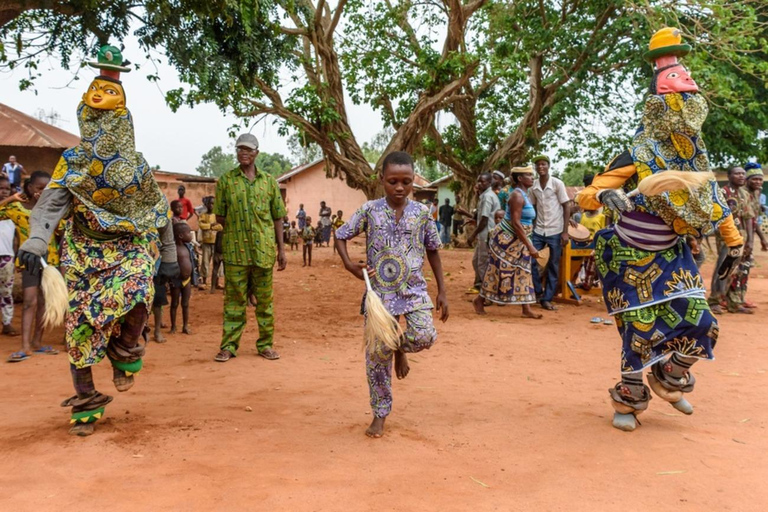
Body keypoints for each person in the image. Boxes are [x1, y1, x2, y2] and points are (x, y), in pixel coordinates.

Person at [576, 28, 743, 432]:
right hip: (629, 253)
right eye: (676, 98)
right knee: (638, 330)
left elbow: (711, 201)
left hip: (672, 253)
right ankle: (630, 401)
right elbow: (589, 193)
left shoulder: (696, 155)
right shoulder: (639, 151)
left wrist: (734, 242)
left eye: (689, 99)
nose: (685, 105)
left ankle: (669, 376)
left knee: (704, 322)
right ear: (658, 107)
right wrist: (605, 198)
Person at [16, 45, 178, 435]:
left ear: (126, 123)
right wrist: (37, 241)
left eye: (113, 121)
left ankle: (125, 349)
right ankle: (86, 398)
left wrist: (169, 254)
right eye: (96, 118)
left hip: (128, 247)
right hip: (83, 250)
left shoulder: (135, 166)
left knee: (140, 284)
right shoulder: (73, 162)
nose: (105, 129)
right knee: (81, 325)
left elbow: (158, 209)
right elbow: (51, 205)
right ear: (85, 118)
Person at [335, 151, 449, 438]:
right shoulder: (369, 210)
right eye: (393, 181)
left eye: (406, 182)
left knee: (424, 336)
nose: (399, 187)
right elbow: (341, 235)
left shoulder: (423, 213)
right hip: (380, 293)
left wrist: (443, 291)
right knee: (376, 356)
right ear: (382, 179)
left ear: (414, 182)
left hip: (413, 290)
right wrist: (350, 265)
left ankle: (399, 346)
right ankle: (380, 414)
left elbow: (433, 250)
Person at [213, 133, 286, 363]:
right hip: (235, 252)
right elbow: (220, 216)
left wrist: (281, 250)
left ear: (256, 153)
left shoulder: (269, 182)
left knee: (265, 303)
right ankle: (228, 346)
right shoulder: (226, 181)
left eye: (248, 149)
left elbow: (278, 218)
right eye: (240, 149)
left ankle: (265, 344)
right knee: (234, 302)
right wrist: (238, 231)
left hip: (263, 251)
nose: (243, 153)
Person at [2, 171, 62, 362]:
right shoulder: (16, 208)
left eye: (46, 189)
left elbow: (61, 230)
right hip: (29, 260)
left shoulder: (52, 209)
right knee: (30, 301)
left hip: (50, 261)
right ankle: (25, 346)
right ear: (29, 188)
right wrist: (11, 197)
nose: (42, 192)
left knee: (44, 302)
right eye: (39, 188)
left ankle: (37, 342)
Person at [474, 167, 541, 319]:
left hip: (518, 239)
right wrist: (530, 245)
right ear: (519, 179)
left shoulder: (525, 194)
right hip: (507, 240)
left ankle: (526, 309)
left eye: (531, 175)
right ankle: (479, 300)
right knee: (498, 271)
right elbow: (516, 223)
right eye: (528, 175)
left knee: (524, 271)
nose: (532, 177)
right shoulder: (516, 196)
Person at [529, 154, 572, 311]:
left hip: (555, 230)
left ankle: (547, 299)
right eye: (538, 165)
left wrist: (565, 232)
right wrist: (531, 228)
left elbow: (566, 206)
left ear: (548, 166)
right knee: (531, 261)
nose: (541, 167)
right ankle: (538, 293)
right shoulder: (533, 187)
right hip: (539, 229)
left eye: (543, 164)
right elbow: (533, 208)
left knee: (553, 265)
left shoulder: (557, 183)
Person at [707, 166, 750, 315]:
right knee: (724, 265)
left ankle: (732, 302)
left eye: (743, 174)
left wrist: (750, 239)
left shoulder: (744, 194)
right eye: (737, 173)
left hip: (741, 234)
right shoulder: (722, 193)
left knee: (737, 268)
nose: (741, 176)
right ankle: (714, 300)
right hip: (726, 236)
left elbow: (748, 218)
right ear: (729, 176)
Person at [467, 173, 500, 293]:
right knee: (476, 261)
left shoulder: (488, 197)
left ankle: (488, 292)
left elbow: (484, 220)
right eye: (479, 181)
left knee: (483, 263)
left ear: (489, 182)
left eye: (483, 182)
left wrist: (472, 235)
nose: (480, 184)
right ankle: (483, 287)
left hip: (487, 234)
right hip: (483, 235)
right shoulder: (484, 196)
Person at [170, 222, 196, 335]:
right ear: (180, 235)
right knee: (174, 303)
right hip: (176, 280)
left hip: (187, 280)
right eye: (188, 233)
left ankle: (185, 326)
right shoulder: (174, 249)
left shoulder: (188, 247)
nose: (190, 235)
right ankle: (173, 326)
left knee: (185, 304)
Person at [0, 176, 16, 336]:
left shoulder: (13, 212)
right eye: (1, 188)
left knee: (6, 292)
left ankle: (7, 323)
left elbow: (16, 237)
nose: (4, 192)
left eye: (7, 189)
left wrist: (16, 256)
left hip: (7, 256)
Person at [198, 196, 222, 290]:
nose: (211, 205)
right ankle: (204, 282)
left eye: (213, 204)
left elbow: (220, 226)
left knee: (217, 263)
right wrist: (211, 225)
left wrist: (210, 227)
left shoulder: (217, 216)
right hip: (206, 242)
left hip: (216, 243)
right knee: (205, 262)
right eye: (210, 203)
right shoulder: (203, 215)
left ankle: (217, 282)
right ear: (206, 204)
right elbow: (201, 225)